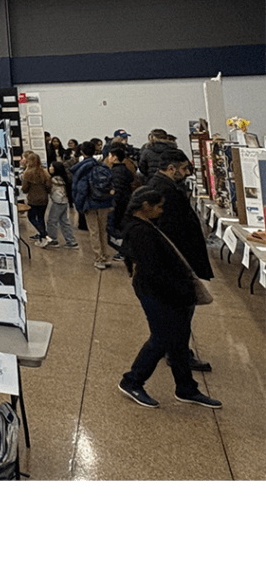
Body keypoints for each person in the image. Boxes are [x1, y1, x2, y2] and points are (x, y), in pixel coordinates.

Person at [117, 187, 221, 409]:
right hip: (157, 293)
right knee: (162, 338)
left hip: (166, 292)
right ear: (145, 207)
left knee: (179, 340)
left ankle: (186, 387)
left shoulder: (143, 226)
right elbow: (154, 271)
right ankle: (132, 380)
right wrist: (179, 291)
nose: (161, 210)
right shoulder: (140, 232)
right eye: (159, 206)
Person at [146, 148, 213, 371]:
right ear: (172, 168)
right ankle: (178, 354)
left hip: (175, 259)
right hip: (176, 260)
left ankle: (175, 351)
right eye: (184, 168)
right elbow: (169, 231)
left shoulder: (162, 186)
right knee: (180, 312)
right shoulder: (165, 190)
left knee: (177, 312)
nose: (187, 173)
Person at [71, 142, 115, 268]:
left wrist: (79, 205)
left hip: (90, 203)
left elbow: (80, 189)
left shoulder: (81, 168)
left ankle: (99, 258)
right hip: (104, 202)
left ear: (82, 152)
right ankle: (106, 256)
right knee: (103, 230)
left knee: (94, 231)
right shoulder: (103, 166)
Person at [21, 152, 53, 246]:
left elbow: (25, 189)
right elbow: (48, 186)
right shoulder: (44, 171)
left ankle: (44, 235)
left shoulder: (27, 173)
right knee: (41, 218)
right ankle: (43, 237)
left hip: (33, 199)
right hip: (44, 199)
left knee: (31, 217)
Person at [46, 161, 78, 248]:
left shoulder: (54, 179)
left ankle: (53, 240)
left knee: (52, 221)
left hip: (58, 201)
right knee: (64, 222)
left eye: (51, 167)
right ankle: (71, 241)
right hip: (64, 201)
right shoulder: (64, 178)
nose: (49, 168)